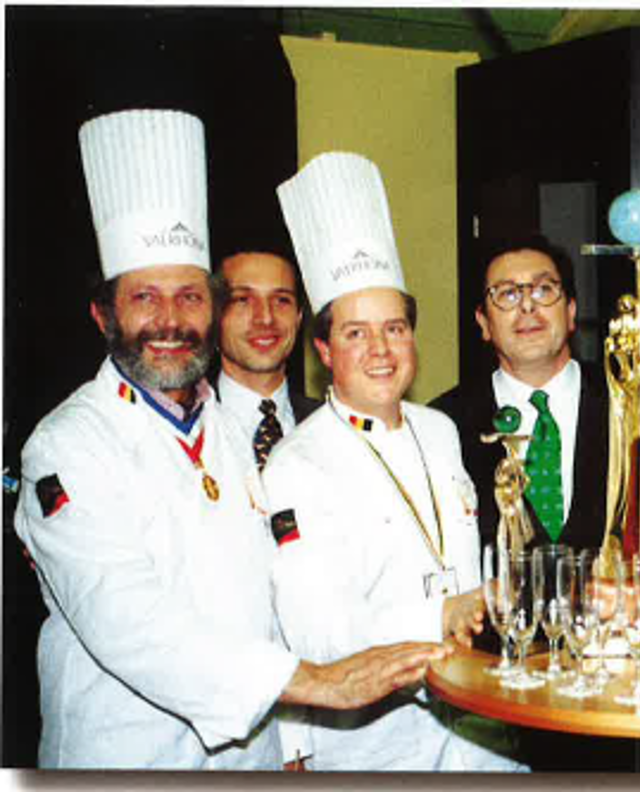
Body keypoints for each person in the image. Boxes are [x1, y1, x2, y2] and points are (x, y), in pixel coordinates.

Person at [12, 108, 447, 770]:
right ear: (104, 314)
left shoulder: (233, 432)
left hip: (253, 759)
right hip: (126, 758)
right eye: (145, 298)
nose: (170, 321)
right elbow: (127, 617)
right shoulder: (67, 445)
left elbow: (283, 595)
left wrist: (296, 738)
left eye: (190, 297)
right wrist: (316, 684)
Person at [266, 151, 523, 772]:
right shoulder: (297, 465)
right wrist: (443, 613)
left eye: (395, 328)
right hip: (377, 748)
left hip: (481, 733)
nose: (380, 350)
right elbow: (317, 633)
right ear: (323, 349)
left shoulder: (440, 429)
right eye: (355, 333)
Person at [431, 234, 608, 552]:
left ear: (570, 312)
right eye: (508, 294)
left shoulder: (626, 401)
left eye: (543, 289)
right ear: (484, 323)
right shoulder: (444, 425)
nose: (527, 306)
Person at [213, 249, 321, 471]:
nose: (265, 318)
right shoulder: (186, 429)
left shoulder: (333, 427)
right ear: (215, 316)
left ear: (299, 317)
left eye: (281, 300)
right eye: (243, 300)